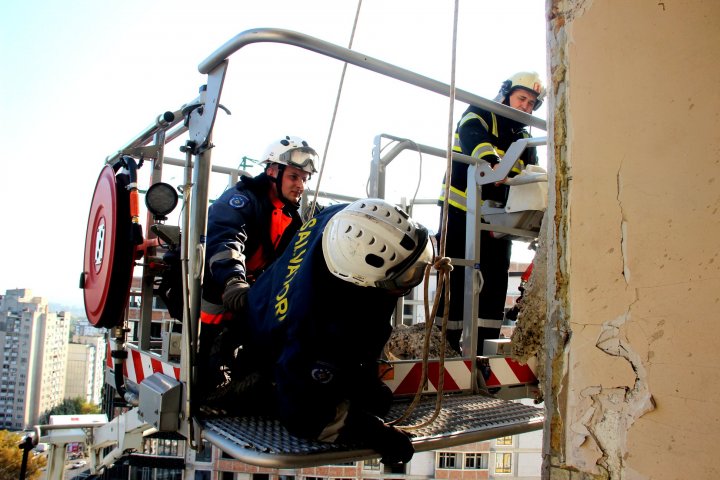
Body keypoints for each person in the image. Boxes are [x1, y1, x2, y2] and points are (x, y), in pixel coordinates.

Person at [221, 198, 434, 464]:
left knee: (374, 397)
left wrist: (365, 377)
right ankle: (263, 387)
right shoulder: (315, 326)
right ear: (360, 279)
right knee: (299, 391)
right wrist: (372, 432)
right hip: (270, 346)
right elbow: (305, 417)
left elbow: (372, 318)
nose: (414, 283)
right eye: (408, 277)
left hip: (270, 304)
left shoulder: (345, 221)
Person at [197, 135, 319, 392]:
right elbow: (226, 240)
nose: (301, 186)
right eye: (294, 177)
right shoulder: (241, 200)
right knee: (210, 362)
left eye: (305, 180)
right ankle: (207, 379)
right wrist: (233, 280)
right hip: (218, 284)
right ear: (273, 171)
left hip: (250, 288)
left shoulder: (289, 216)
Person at [436, 72, 545, 355]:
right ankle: (444, 346)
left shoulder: (523, 135)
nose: (526, 107)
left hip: (498, 217)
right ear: (507, 93)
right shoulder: (481, 111)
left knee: (495, 280)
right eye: (522, 98)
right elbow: (474, 137)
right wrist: (492, 163)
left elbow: (530, 171)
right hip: (460, 209)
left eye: (532, 104)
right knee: (455, 276)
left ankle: (485, 351)